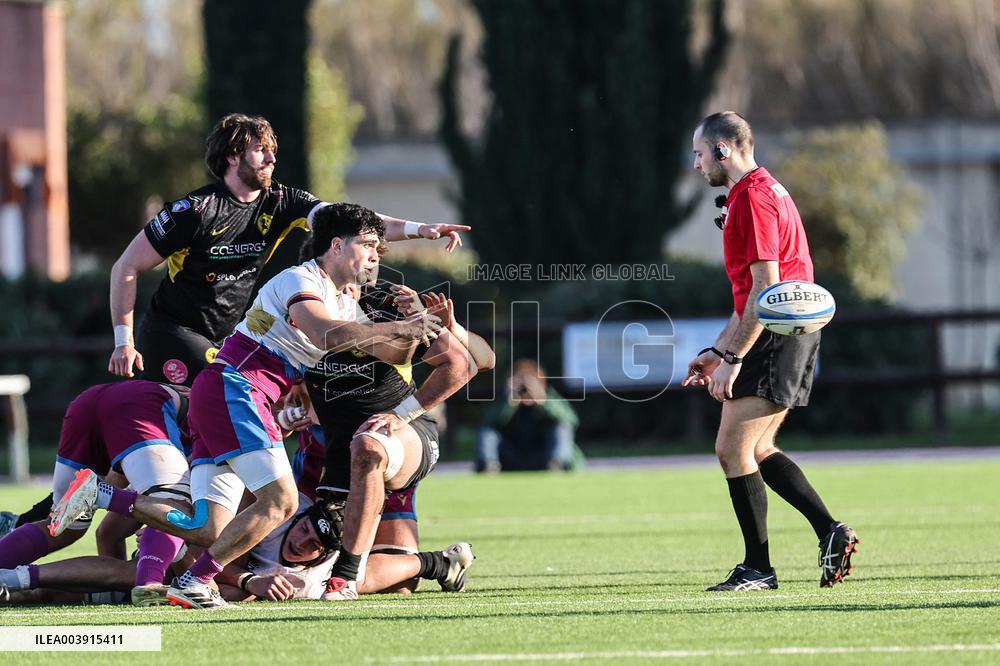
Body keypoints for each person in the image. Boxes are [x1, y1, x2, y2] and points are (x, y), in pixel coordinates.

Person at [50, 203, 444, 609]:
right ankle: (194, 581)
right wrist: (399, 327)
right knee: (282, 502)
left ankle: (101, 494)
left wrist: (423, 320)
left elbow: (390, 348)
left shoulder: (346, 304)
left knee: (207, 528)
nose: (376, 254)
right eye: (367, 244)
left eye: (379, 246)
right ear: (336, 247)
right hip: (237, 388)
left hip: (225, 392)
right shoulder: (301, 278)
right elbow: (325, 334)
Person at [108, 112, 469, 386]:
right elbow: (125, 267)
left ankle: (98, 487)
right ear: (233, 156)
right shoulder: (193, 212)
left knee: (200, 428)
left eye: (273, 151)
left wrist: (421, 229)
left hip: (230, 334)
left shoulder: (282, 201)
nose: (271, 158)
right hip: (175, 331)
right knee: (219, 402)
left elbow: (351, 222)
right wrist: (124, 342)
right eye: (260, 150)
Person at [683, 111, 859, 591]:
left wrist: (734, 360)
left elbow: (767, 288)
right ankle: (830, 531)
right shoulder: (756, 191)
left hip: (778, 334)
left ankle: (758, 568)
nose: (696, 164)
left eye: (700, 153)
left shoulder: (755, 198)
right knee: (757, 448)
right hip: (781, 331)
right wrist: (717, 351)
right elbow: (750, 297)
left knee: (730, 448)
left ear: (723, 150)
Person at [306, 278, 495, 601]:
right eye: (365, 254)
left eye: (374, 255)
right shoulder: (298, 310)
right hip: (328, 450)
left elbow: (481, 361)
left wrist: (450, 328)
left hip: (391, 442)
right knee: (312, 571)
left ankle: (345, 579)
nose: (370, 271)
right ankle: (437, 563)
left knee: (369, 445)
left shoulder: (390, 303)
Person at [0, 380, 191, 606]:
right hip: (143, 405)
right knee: (175, 509)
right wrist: (242, 579)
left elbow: (109, 533)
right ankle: (149, 585)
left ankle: (145, 582)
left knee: (63, 525)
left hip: (94, 398)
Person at [475, 359, 581, 473]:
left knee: (562, 428)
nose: (525, 388)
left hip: (544, 455)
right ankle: (488, 467)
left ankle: (558, 466)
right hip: (512, 456)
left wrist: (542, 400)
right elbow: (487, 423)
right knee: (488, 432)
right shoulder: (505, 401)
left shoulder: (550, 397)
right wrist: (510, 401)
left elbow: (571, 420)